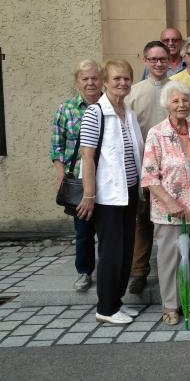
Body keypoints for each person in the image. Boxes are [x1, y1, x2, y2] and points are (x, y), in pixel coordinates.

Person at [76, 60, 143, 325]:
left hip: (129, 191)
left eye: (126, 79)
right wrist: (89, 195)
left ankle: (116, 302)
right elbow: (87, 156)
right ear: (105, 82)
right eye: (116, 79)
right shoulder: (96, 113)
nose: (122, 83)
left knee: (126, 250)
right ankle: (105, 308)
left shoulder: (128, 112)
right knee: (112, 252)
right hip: (108, 196)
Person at [140, 81, 190, 325]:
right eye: (175, 101)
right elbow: (149, 176)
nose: (181, 105)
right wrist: (170, 202)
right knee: (171, 259)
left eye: (184, 100)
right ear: (167, 105)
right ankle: (170, 305)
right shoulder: (157, 133)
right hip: (171, 211)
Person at [51, 59, 102, 292]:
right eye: (85, 79)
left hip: (107, 178)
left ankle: (108, 271)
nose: (90, 83)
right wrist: (61, 176)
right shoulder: (66, 109)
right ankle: (84, 271)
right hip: (79, 181)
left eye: (94, 78)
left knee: (109, 230)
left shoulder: (110, 105)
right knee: (83, 229)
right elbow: (57, 147)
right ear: (77, 82)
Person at [125, 40, 171, 295]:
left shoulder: (177, 88)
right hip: (144, 166)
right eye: (153, 59)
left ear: (168, 60)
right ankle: (139, 272)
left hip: (173, 167)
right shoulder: (133, 92)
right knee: (142, 221)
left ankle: (171, 268)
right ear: (145, 61)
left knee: (170, 222)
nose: (158, 63)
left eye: (162, 58)